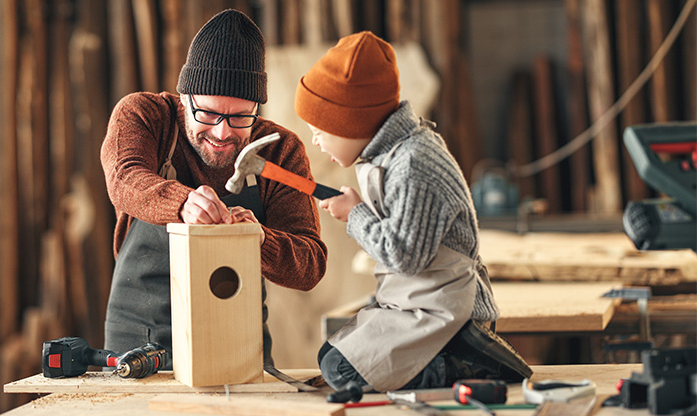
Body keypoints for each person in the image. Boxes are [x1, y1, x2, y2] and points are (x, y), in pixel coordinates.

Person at [294, 31, 532, 393]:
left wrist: (356, 214)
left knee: (341, 371)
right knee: (331, 355)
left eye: (320, 129)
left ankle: (467, 362)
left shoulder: (414, 162)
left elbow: (404, 255)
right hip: (416, 299)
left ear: (352, 122)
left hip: (451, 313)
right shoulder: (388, 154)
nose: (315, 140)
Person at [100, 9, 328, 366]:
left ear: (257, 107)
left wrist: (260, 240)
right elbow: (124, 178)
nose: (222, 133)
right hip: (142, 341)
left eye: (240, 117)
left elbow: (309, 264)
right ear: (184, 97)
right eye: (206, 113)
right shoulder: (144, 116)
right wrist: (183, 204)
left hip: (239, 342)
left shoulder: (280, 151)